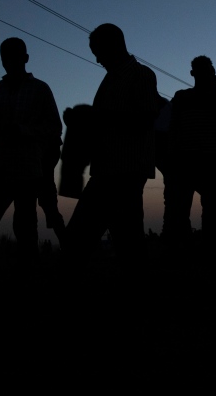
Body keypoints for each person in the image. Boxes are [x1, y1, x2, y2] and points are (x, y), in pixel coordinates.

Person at [64, 24, 159, 264]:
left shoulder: (141, 75)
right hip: (107, 170)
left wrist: (95, 117)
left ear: (114, 47)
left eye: (98, 51)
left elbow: (146, 119)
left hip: (125, 172)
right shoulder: (111, 79)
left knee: (85, 238)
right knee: (126, 241)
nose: (97, 59)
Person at [0, 38, 63, 257]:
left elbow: (54, 127)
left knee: (25, 225)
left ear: (25, 59)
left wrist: (23, 131)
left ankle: (28, 275)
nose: (9, 62)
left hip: (28, 167)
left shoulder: (40, 89)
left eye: (14, 57)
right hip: (0, 166)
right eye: (5, 58)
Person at [162, 56, 216, 245]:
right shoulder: (182, 96)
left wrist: (215, 90)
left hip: (215, 160)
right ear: (193, 73)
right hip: (186, 161)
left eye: (208, 70)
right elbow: (172, 127)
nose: (205, 74)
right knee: (180, 211)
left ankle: (210, 251)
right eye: (201, 70)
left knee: (214, 212)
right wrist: (171, 158)